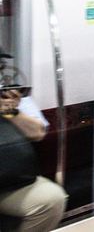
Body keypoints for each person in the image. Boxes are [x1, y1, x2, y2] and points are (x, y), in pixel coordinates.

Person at [0, 84, 67, 232]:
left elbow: (37, 133)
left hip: (11, 179)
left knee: (51, 199)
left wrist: (10, 111)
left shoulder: (8, 94)